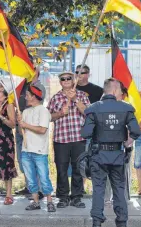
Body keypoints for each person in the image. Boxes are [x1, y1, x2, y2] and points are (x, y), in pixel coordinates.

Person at [81, 78, 141, 227]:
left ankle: (96, 221)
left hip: (98, 156)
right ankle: (121, 222)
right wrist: (127, 142)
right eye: (120, 90)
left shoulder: (93, 108)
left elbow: (85, 133)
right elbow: (136, 131)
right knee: (119, 190)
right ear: (114, 90)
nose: (121, 92)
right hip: (117, 156)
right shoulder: (126, 108)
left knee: (98, 190)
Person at [47, 71, 90, 209]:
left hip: (78, 138)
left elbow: (89, 113)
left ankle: (76, 197)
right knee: (61, 169)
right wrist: (60, 113)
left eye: (68, 78)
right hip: (61, 139)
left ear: (73, 80)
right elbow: (48, 117)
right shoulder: (55, 98)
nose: (65, 80)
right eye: (63, 79)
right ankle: (63, 197)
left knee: (78, 168)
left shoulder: (82, 95)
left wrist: (76, 99)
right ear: (60, 82)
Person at [17, 85, 56, 212]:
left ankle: (50, 201)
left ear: (34, 97)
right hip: (26, 150)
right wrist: (20, 123)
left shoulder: (43, 111)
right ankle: (35, 201)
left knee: (44, 178)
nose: (25, 97)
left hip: (39, 151)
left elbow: (42, 129)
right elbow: (20, 130)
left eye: (27, 94)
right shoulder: (26, 111)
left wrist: (25, 125)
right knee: (30, 179)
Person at [15, 68, 46, 198]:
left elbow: (36, 103)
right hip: (20, 125)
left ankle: (38, 189)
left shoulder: (38, 87)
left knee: (33, 157)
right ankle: (30, 186)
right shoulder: (22, 86)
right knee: (23, 159)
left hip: (31, 126)